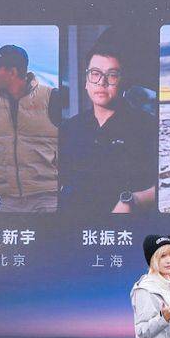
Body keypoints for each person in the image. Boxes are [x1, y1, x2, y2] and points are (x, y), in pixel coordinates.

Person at [61, 43, 157, 215]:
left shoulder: (147, 127)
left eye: (111, 75)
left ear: (124, 82)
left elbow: (162, 186)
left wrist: (133, 201)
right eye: (95, 73)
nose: (101, 82)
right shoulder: (70, 128)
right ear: (86, 81)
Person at [0, 44, 61, 212]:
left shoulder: (51, 98)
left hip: (47, 200)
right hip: (9, 201)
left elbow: (74, 141)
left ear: (12, 72)